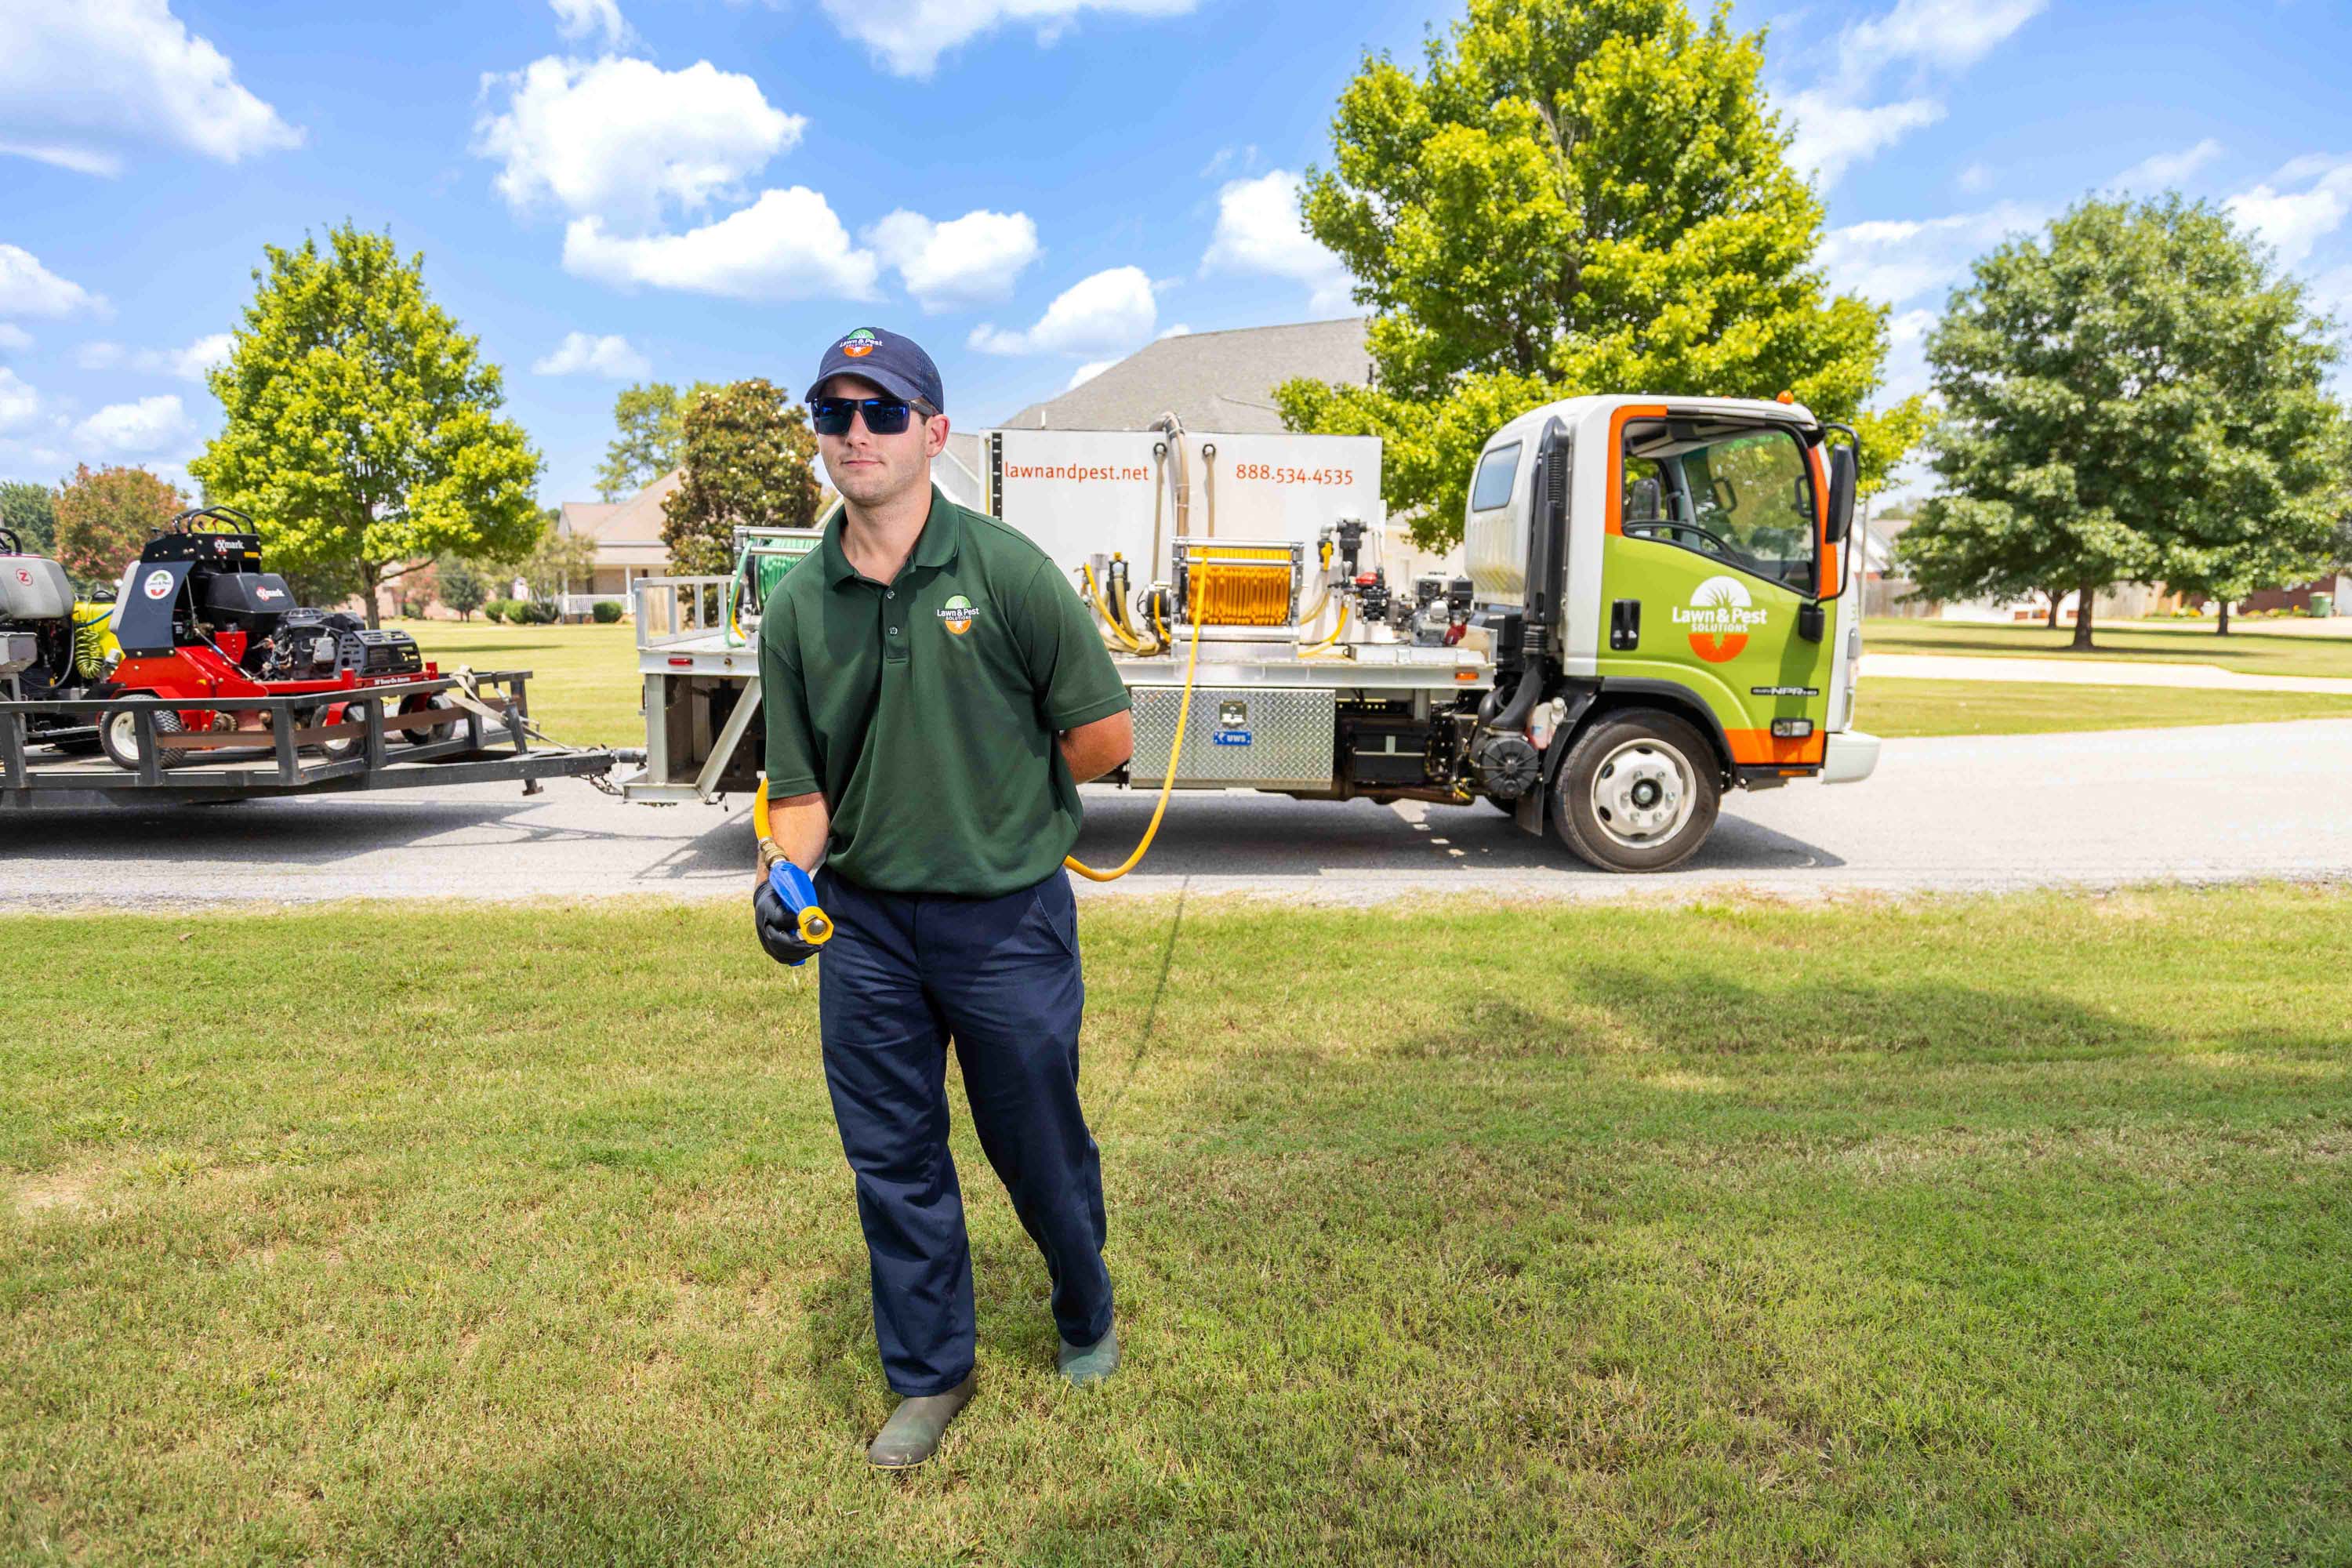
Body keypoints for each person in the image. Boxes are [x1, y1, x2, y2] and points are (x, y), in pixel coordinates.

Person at [753, 326, 1137, 1470]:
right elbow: (800, 786)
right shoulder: (796, 608)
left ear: (934, 431)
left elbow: (1104, 738)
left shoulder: (1006, 571)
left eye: (882, 413)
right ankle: (929, 1374)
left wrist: (996, 800)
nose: (856, 435)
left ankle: (1086, 1306)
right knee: (894, 1159)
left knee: (1036, 1141)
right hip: (866, 933)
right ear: (820, 437)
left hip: (1004, 919)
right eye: (835, 415)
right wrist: (787, 875)